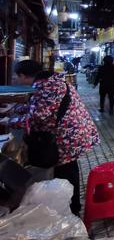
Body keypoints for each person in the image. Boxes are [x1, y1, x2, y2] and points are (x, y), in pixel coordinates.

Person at [3, 60, 99, 216]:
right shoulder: (52, 82)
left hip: (67, 135)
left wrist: (10, 121)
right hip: (72, 132)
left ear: (23, 75)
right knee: (68, 168)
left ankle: (72, 209)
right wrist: (14, 109)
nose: (18, 81)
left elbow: (39, 116)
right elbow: (39, 106)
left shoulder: (47, 87)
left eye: (18, 77)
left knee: (66, 171)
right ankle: (69, 204)